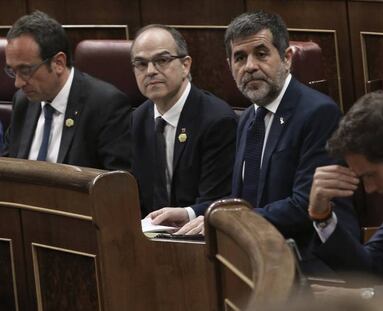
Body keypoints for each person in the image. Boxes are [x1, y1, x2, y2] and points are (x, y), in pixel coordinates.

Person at [149, 10, 359, 271]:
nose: (249, 66)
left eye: (261, 54)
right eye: (239, 57)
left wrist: (224, 221)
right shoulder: (249, 118)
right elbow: (245, 196)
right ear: (230, 66)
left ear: (287, 58)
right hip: (260, 253)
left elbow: (305, 204)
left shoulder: (318, 113)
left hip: (313, 260)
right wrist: (193, 213)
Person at [309, 91, 383, 300]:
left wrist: (364, 296)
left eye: (371, 175)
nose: (370, 189)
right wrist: (322, 216)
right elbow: (371, 268)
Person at [130, 24, 237, 218]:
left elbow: (217, 201)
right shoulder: (138, 118)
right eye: (141, 64)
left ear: (185, 65)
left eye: (162, 60)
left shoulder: (217, 120)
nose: (150, 71)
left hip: (197, 234)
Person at [2, 11, 131, 170]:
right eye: (12, 71)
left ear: (59, 63)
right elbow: (7, 170)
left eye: (26, 70)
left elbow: (117, 185)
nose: (18, 83)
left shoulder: (105, 106)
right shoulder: (23, 101)